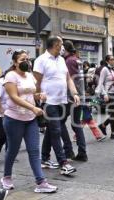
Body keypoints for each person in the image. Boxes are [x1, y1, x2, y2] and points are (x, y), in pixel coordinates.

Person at [1, 49, 57, 193]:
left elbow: (31, 95)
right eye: (22, 60)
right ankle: (6, 177)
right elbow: (14, 97)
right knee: (13, 150)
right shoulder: (10, 76)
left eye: (27, 59)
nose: (26, 62)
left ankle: (41, 182)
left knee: (34, 151)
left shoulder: (30, 76)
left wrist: (39, 96)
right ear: (15, 63)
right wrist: (33, 108)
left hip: (30, 119)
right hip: (14, 119)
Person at [33, 36, 77, 174]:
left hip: (62, 101)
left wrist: (74, 93)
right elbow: (36, 82)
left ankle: (44, 158)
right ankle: (63, 162)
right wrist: (38, 98)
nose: (63, 47)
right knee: (56, 131)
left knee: (53, 129)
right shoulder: (41, 60)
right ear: (55, 45)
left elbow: (68, 78)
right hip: (49, 102)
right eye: (61, 44)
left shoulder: (62, 60)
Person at [62, 40, 87, 161]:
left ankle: (69, 150)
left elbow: (69, 80)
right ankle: (82, 152)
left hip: (72, 96)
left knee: (60, 122)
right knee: (76, 123)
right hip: (80, 95)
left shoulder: (69, 61)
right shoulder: (77, 59)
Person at [97, 55, 114, 139]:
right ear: (107, 61)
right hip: (108, 94)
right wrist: (105, 94)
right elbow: (100, 83)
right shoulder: (104, 69)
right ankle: (112, 132)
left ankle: (105, 126)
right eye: (111, 59)